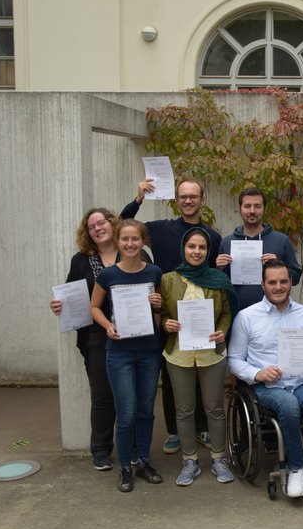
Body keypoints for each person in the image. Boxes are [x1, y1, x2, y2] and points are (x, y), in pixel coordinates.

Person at [121, 177, 221, 453]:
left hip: (201, 314)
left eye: (194, 196)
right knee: (171, 371)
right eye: (183, 196)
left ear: (203, 199)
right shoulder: (159, 229)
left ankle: (201, 428)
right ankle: (175, 431)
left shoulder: (213, 237)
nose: (188, 201)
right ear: (176, 200)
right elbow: (123, 226)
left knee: (201, 371)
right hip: (167, 313)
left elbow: (216, 279)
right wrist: (139, 197)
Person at [227, 259, 303, 498]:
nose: (278, 287)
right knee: (288, 405)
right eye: (272, 282)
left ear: (290, 283)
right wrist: (257, 373)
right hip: (268, 385)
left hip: (301, 381)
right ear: (263, 285)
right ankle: (296, 468)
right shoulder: (247, 317)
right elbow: (234, 359)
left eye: (283, 281)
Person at [49, 208, 145, 471]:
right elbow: (70, 293)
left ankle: (134, 448)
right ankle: (101, 450)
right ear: (87, 233)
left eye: (101, 222)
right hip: (97, 336)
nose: (98, 228)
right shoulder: (81, 260)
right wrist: (59, 305)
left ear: (112, 223)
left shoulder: (132, 249)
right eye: (92, 226)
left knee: (133, 396)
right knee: (102, 395)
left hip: (134, 334)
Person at [89, 219, 164, 493]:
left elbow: (157, 319)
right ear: (118, 242)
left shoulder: (155, 272)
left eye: (135, 239)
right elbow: (94, 307)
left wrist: (158, 306)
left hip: (149, 351)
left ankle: (143, 461)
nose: (130, 244)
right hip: (119, 352)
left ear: (143, 242)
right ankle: (125, 468)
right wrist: (108, 326)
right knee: (127, 411)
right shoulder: (108, 275)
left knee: (146, 410)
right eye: (125, 240)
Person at [160, 227, 238, 486]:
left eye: (202, 247)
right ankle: (189, 461)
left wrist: (222, 331)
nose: (196, 251)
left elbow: (226, 313)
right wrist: (166, 324)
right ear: (183, 248)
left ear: (207, 251)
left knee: (215, 408)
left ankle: (218, 458)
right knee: (184, 410)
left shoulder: (217, 278)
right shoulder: (168, 279)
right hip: (179, 355)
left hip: (211, 354)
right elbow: (159, 313)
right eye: (191, 246)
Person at [216, 187, 301, 311]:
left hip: (275, 312)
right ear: (240, 208)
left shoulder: (281, 240)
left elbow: (295, 278)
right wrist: (219, 269)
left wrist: (279, 265)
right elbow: (221, 285)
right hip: (237, 312)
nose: (252, 211)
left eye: (257, 206)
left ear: (264, 209)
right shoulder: (227, 242)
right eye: (247, 206)